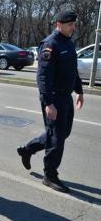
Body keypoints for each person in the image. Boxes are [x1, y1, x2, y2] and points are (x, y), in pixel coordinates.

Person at [17, 10, 83, 193]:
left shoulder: (68, 43)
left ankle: (28, 149)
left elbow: (73, 70)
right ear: (59, 24)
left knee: (62, 133)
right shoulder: (50, 44)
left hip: (66, 96)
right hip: (53, 97)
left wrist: (79, 91)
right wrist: (48, 103)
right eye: (70, 24)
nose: (73, 27)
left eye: (74, 24)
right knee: (57, 138)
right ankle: (50, 175)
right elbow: (43, 77)